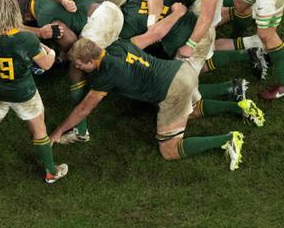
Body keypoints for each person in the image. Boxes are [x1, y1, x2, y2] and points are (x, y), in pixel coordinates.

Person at [50, 38, 265, 170]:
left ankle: (227, 140)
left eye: (79, 65)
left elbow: (84, 109)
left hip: (172, 90)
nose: (78, 69)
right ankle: (240, 106)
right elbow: (151, 35)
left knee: (170, 150)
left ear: (90, 61)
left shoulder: (104, 75)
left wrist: (58, 131)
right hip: (182, 71)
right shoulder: (119, 44)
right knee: (188, 112)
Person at [0, 0, 68, 183]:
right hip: (25, 94)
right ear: (17, 16)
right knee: (39, 131)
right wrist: (52, 52)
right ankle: (51, 172)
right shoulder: (28, 39)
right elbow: (45, 65)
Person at [168, 0, 284, 99]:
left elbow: (206, 17)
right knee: (239, 3)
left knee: (266, 35)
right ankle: (237, 36)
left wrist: (190, 45)